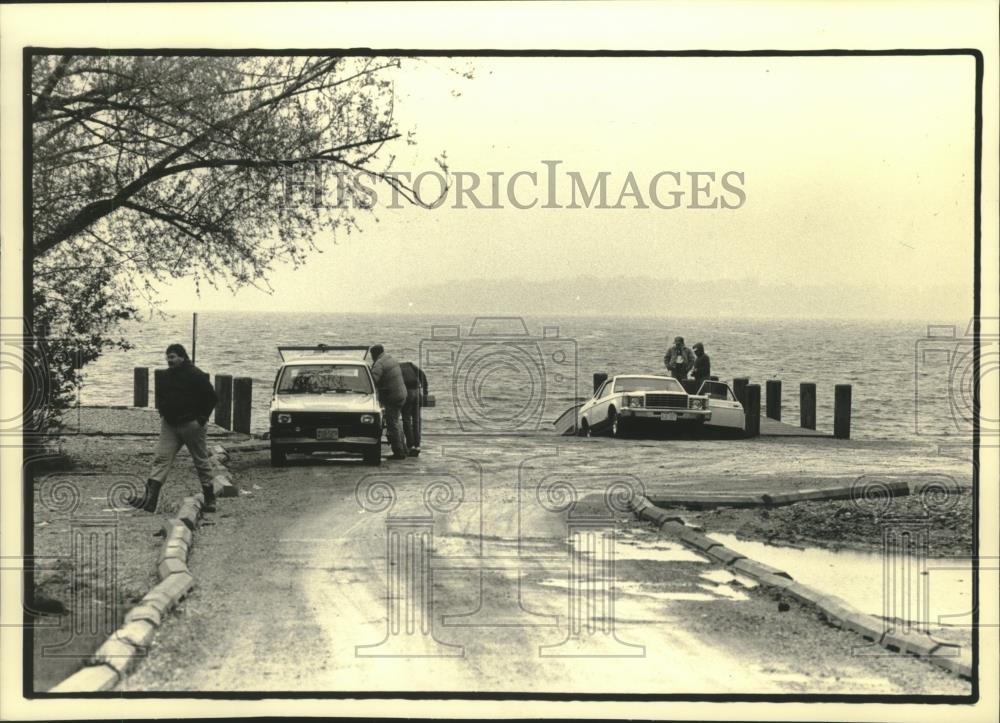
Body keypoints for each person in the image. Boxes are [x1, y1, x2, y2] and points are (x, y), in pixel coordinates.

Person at [128, 343, 219, 513]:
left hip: (192, 425)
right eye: (168, 357)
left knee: (201, 461)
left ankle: (210, 499)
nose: (169, 360)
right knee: (161, 459)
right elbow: (161, 395)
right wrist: (163, 411)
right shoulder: (166, 376)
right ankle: (150, 501)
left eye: (173, 357)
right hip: (170, 425)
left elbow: (212, 397)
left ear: (182, 357)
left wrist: (201, 419)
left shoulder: (196, 374)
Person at [369, 344, 409, 460]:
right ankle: (404, 449)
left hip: (393, 396)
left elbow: (373, 380)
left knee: (392, 424)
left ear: (373, 354)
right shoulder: (390, 358)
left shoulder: (379, 363)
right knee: (397, 422)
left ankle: (399, 452)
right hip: (401, 393)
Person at [399, 359, 428, 457]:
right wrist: (425, 392)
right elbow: (423, 375)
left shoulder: (396, 369)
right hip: (417, 393)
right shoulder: (411, 365)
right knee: (416, 420)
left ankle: (410, 446)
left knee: (406, 419)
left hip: (407, 393)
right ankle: (417, 445)